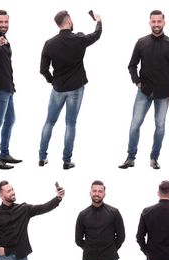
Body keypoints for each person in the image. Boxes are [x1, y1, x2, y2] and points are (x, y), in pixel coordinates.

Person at [39, 10, 102, 169]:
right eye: (71, 19)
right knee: (70, 124)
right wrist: (98, 20)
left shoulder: (49, 43)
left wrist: (52, 81)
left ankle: (42, 157)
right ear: (67, 21)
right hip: (76, 88)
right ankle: (66, 161)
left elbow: (43, 69)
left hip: (58, 88)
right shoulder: (79, 39)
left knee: (49, 122)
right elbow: (96, 34)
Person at [119, 10, 169, 170]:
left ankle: (154, 158)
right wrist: (137, 81)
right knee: (134, 125)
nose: (156, 24)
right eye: (153, 22)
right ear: (149, 23)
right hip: (144, 91)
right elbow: (132, 65)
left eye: (159, 21)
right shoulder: (141, 42)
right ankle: (130, 158)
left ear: (164, 22)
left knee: (160, 126)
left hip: (163, 92)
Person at [0, 10, 22, 170]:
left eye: (6, 22)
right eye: (0, 22)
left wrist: (12, 87)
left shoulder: (6, 40)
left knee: (10, 120)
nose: (4, 25)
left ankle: (4, 154)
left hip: (7, 88)